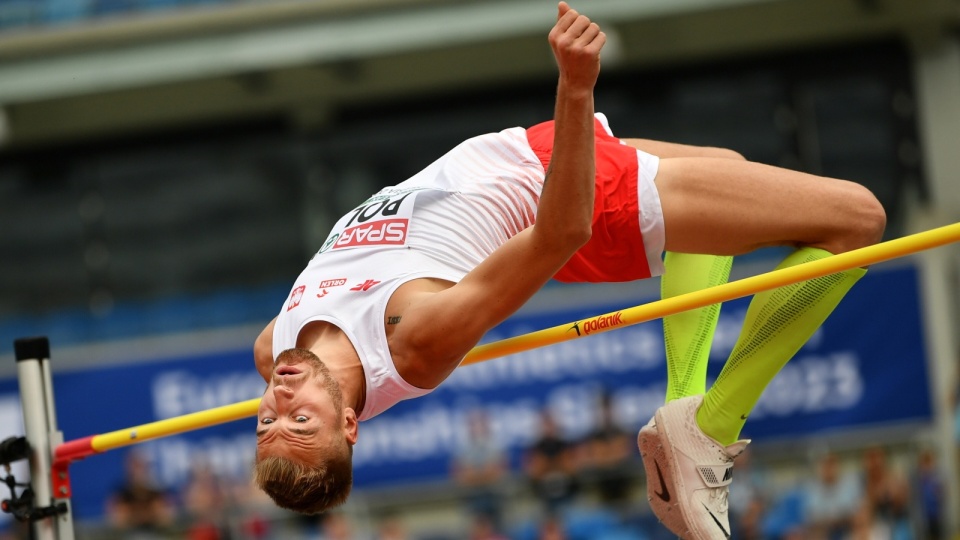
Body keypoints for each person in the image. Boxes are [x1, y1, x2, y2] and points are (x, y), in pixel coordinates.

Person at [251, 2, 886, 539]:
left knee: (728, 166)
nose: (280, 401)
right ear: (352, 424)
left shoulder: (272, 348)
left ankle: (682, 414)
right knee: (857, 221)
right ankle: (709, 427)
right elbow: (561, 231)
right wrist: (576, 86)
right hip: (569, 196)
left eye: (266, 423)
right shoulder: (413, 341)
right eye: (300, 419)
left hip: (517, 153)